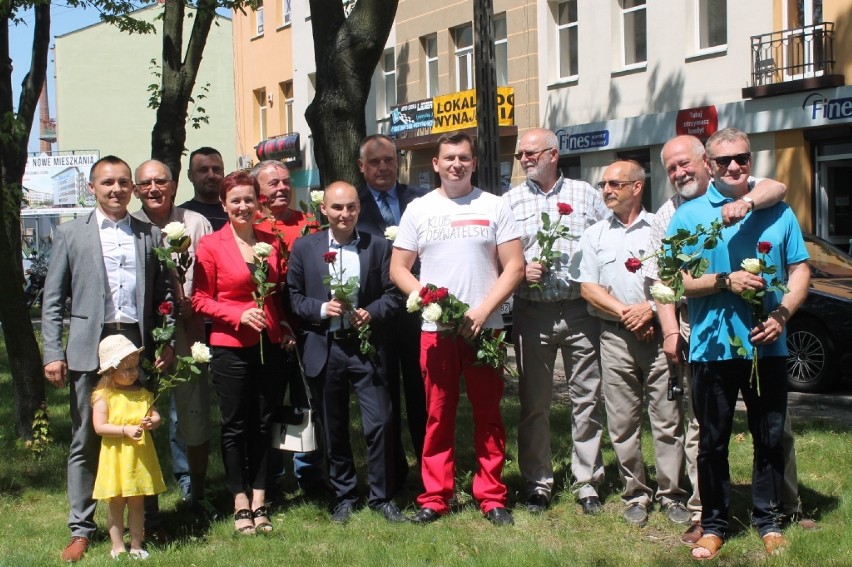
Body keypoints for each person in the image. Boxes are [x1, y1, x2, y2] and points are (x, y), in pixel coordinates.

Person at [644, 135, 807, 545]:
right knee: (712, 442)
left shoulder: (777, 209)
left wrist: (782, 313)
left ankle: (768, 520)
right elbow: (673, 281)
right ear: (710, 164)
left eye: (742, 158)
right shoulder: (689, 216)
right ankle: (714, 524)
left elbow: (800, 269)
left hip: (766, 344)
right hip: (712, 346)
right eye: (725, 160)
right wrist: (723, 281)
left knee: (769, 436)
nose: (734, 166)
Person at [41, 155, 174, 562]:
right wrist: (52, 351)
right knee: (86, 437)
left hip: (136, 342)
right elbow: (52, 300)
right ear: (92, 188)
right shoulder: (70, 235)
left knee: (141, 431)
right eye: (107, 183)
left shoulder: (148, 233)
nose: (116, 189)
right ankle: (81, 528)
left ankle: (143, 521)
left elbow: (164, 295)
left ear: (131, 188)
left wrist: (166, 341)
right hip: (88, 344)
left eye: (122, 183)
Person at [390, 132, 524, 526]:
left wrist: (483, 310)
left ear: (474, 162)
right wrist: (427, 299)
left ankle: (492, 495)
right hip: (437, 332)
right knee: (437, 415)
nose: (456, 164)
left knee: (489, 414)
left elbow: (514, 266)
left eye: (463, 158)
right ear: (435, 164)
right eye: (449, 158)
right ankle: (434, 497)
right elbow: (398, 268)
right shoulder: (418, 209)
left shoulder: (495, 206)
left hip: (487, 328)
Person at [576, 159, 689, 528]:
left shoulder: (662, 226)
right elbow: (588, 287)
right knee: (622, 422)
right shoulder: (595, 235)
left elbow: (676, 279)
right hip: (615, 338)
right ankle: (635, 493)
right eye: (603, 183)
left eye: (614, 183)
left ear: (637, 187)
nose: (606, 190)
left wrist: (651, 311)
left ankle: (673, 494)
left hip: (660, 336)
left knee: (667, 419)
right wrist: (629, 312)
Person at [503, 128, 609, 515]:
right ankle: (538, 482)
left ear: (553, 154)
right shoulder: (510, 201)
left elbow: (605, 241)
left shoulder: (586, 195)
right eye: (520, 156)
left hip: (582, 312)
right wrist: (519, 269)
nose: (525, 160)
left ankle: (587, 482)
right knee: (534, 403)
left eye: (531, 154)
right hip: (533, 313)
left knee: (586, 399)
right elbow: (498, 255)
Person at [288, 180, 406, 523]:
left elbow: (393, 295)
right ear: (323, 209)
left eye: (351, 207)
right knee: (334, 425)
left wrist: (373, 311)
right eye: (337, 207)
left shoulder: (379, 246)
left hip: (366, 348)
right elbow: (293, 296)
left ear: (359, 208)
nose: (344, 214)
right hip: (325, 347)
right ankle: (344, 495)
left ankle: (381, 496)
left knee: (381, 422)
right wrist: (322, 309)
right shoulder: (305, 248)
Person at [192, 171, 295, 535]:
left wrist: (282, 326)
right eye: (235, 200)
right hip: (230, 346)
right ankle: (238, 499)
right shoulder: (211, 246)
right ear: (224, 204)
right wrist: (236, 314)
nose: (242, 206)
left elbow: (278, 296)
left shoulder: (271, 240)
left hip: (269, 345)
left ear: (258, 203)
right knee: (236, 425)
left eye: (249, 199)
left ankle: (260, 497)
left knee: (265, 421)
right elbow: (200, 300)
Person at [132, 159, 214, 510]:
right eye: (146, 183)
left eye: (160, 181)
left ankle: (196, 491)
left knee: (194, 414)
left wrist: (195, 304)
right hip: (140, 336)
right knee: (136, 414)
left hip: (188, 333)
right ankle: (142, 497)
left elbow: (213, 274)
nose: (154, 188)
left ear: (173, 186)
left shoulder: (195, 223)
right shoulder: (130, 225)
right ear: (137, 190)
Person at [250, 160, 327, 497]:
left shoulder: (309, 222)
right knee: (266, 407)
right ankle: (269, 478)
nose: (281, 188)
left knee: (308, 403)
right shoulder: (251, 228)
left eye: (285, 182)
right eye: (272, 183)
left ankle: (309, 475)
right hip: (267, 331)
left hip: (307, 327)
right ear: (258, 191)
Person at [356, 134, 428, 489]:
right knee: (383, 397)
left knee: (422, 394)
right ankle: (394, 472)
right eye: (375, 162)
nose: (383, 167)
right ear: (362, 167)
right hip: (376, 313)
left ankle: (430, 470)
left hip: (419, 313)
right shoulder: (351, 206)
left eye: (389, 160)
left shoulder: (419, 199)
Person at [91, 335, 166, 560]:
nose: (133, 373)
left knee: (137, 502)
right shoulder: (103, 396)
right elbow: (99, 426)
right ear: (110, 370)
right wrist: (125, 430)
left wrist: (152, 422)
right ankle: (117, 546)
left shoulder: (143, 394)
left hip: (138, 459)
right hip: (116, 458)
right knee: (115, 502)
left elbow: (156, 417)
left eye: (135, 367)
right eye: (126, 369)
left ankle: (136, 544)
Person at [180, 147, 228, 230]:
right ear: (190, 175)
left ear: (223, 173)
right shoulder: (181, 215)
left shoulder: (234, 213)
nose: (211, 176)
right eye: (203, 170)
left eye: (216, 169)